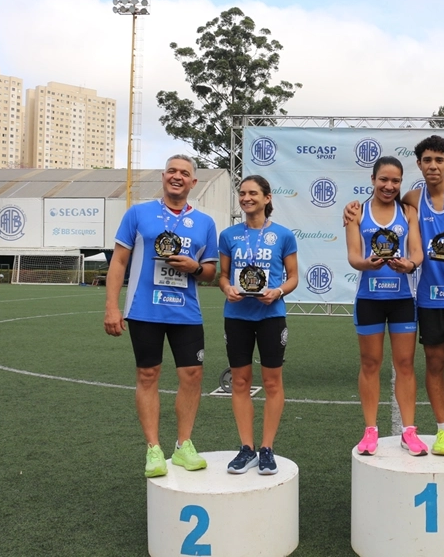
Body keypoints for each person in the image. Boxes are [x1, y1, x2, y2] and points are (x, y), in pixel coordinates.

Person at [345, 135, 444, 457]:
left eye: (439, 160)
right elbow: (365, 249)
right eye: (427, 160)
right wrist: (352, 211)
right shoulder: (411, 199)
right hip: (426, 297)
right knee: (431, 363)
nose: (433, 166)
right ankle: (440, 430)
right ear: (420, 165)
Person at [103, 155, 219, 478]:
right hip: (144, 309)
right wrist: (112, 306)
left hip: (186, 311)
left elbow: (209, 271)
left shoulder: (205, 223)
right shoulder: (138, 214)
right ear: (163, 177)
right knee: (148, 375)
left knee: (193, 375)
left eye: (185, 173)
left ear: (194, 182)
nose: (177, 177)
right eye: (172, 171)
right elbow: (119, 262)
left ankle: (183, 446)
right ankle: (153, 449)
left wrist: (194, 267)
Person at [345, 156, 427, 457]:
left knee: (405, 365)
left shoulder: (408, 212)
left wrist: (410, 263)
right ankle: (370, 431)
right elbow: (353, 256)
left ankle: (409, 431)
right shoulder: (357, 212)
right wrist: (367, 263)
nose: (389, 186)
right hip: (369, 299)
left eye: (395, 181)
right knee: (370, 364)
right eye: (384, 180)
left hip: (403, 299)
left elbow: (417, 251)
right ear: (373, 179)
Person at [218, 175, 298, 475]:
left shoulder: (283, 235)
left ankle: (267, 448)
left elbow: (293, 277)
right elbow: (223, 275)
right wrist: (227, 289)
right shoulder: (228, 235)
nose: (246, 197)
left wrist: (277, 291)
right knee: (239, 382)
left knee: (272, 382)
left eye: (253, 193)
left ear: (267, 198)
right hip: (237, 316)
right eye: (242, 193)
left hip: (270, 316)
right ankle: (246, 448)